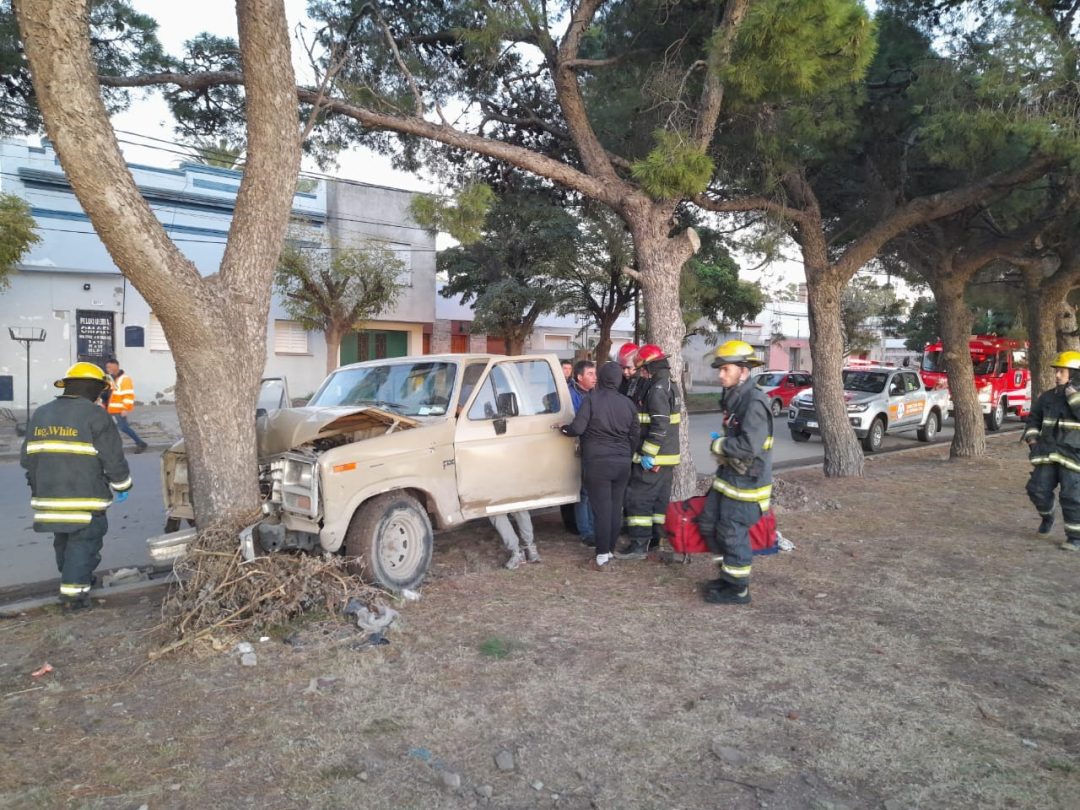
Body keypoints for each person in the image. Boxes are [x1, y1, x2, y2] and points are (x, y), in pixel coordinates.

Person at [20, 362, 133, 611]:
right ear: (93, 388)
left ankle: (77, 579)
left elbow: (26, 459)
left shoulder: (41, 414)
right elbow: (113, 459)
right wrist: (123, 485)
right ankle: (74, 599)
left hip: (47, 499)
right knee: (83, 545)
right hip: (85, 501)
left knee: (64, 542)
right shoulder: (95, 415)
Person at [700, 340, 773, 605]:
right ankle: (727, 577)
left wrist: (719, 444)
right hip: (729, 478)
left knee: (732, 532)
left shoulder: (753, 402)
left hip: (747, 485)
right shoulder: (735, 396)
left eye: (725, 369)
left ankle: (738, 589)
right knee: (709, 523)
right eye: (719, 369)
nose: (720, 374)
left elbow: (749, 446)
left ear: (743, 370)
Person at [561, 361, 639, 570]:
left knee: (601, 510)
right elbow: (635, 435)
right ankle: (610, 549)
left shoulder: (592, 400)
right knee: (615, 509)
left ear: (602, 378)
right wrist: (627, 455)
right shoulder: (628, 404)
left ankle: (602, 554)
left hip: (597, 463)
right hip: (622, 463)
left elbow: (577, 428)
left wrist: (563, 430)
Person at [617, 344, 682, 560]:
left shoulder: (656, 389)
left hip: (655, 457)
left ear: (651, 367)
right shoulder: (670, 384)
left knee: (638, 498)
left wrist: (648, 454)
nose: (641, 373)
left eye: (643, 369)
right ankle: (656, 539)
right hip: (668, 456)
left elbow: (659, 425)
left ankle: (638, 545)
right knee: (658, 500)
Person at [1024, 350, 1080, 551]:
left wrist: (1073, 395)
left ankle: (1074, 538)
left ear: (1075, 373)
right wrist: (1032, 439)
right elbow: (1034, 419)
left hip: (1073, 456)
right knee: (1037, 489)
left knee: (1072, 496)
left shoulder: (1076, 397)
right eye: (1057, 371)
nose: (1057, 375)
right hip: (1046, 452)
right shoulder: (1047, 397)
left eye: (1062, 371)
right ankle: (1048, 517)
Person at [569, 360, 598, 546]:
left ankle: (594, 528)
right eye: (590, 374)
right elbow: (575, 422)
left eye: (595, 373)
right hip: (579, 447)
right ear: (579, 377)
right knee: (584, 492)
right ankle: (586, 532)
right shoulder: (572, 395)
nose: (594, 377)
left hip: (593, 448)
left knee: (592, 491)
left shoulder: (594, 394)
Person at [103, 358, 148, 453]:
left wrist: (125, 409)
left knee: (123, 427)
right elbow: (108, 393)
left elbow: (128, 395)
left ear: (116, 366)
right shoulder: (110, 378)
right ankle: (110, 446)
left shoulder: (125, 379)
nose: (107, 369)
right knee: (109, 427)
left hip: (119, 409)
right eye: (107, 367)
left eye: (109, 367)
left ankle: (141, 443)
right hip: (110, 408)